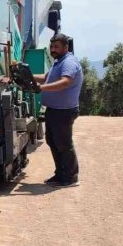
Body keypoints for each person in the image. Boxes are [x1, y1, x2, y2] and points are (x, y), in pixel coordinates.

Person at [34, 33, 84, 187]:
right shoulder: (58, 62)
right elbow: (45, 77)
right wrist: (28, 76)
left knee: (63, 143)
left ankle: (71, 177)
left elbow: (65, 82)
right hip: (54, 110)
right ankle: (60, 174)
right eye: (51, 46)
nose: (53, 49)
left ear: (65, 47)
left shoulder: (68, 62)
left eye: (56, 47)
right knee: (53, 142)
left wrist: (41, 88)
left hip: (64, 111)